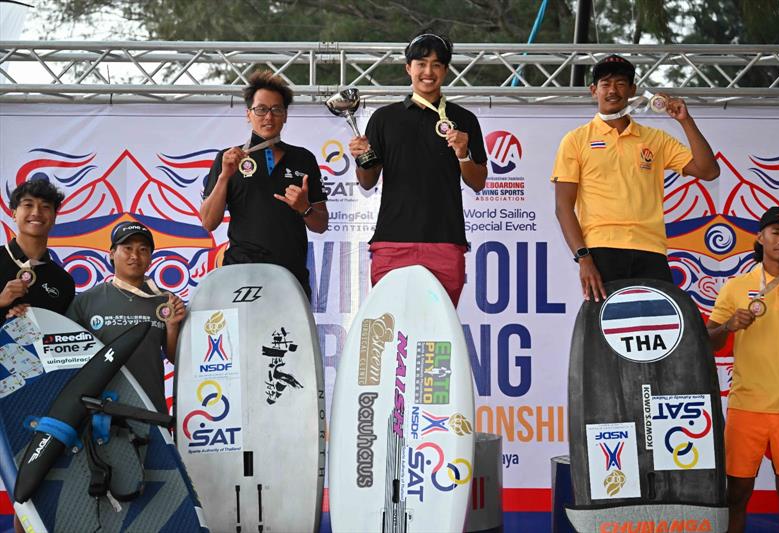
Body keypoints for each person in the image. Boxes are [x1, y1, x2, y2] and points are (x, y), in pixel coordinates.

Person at [551, 54, 720, 302]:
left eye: (620, 83)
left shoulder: (655, 139)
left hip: (651, 250)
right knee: (607, 334)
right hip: (602, 251)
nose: (612, 91)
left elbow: (708, 171)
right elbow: (563, 207)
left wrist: (686, 121)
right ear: (593, 90)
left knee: (657, 332)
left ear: (632, 90)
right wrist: (584, 258)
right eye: (605, 84)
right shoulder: (576, 140)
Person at [348, 32, 488, 306]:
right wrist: (363, 158)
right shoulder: (384, 118)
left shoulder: (464, 119)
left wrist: (462, 155)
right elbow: (367, 182)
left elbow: (478, 181)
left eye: (436, 65)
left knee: (438, 336)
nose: (428, 72)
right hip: (392, 242)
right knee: (389, 330)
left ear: (446, 70)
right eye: (421, 63)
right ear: (408, 68)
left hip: (445, 242)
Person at [706, 205, 779, 533]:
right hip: (747, 406)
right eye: (775, 232)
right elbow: (709, 342)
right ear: (760, 237)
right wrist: (729, 326)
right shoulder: (735, 287)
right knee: (736, 495)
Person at [200, 71, 328, 300]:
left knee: (288, 338)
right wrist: (224, 176)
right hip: (241, 276)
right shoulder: (228, 158)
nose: (268, 117)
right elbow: (208, 222)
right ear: (248, 114)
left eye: (276, 110)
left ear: (286, 115)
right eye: (261, 109)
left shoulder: (303, 159)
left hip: (290, 276)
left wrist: (304, 208)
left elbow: (321, 224)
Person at [66, 221, 185, 414]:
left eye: (143, 250)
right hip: (99, 409)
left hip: (150, 407)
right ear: (112, 254)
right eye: (127, 248)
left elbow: (175, 358)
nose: (135, 256)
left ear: (151, 258)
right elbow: (67, 358)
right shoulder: (85, 301)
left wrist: (172, 326)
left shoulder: (166, 302)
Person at [0, 179, 74, 318]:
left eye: (45, 206)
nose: (36, 212)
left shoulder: (64, 282)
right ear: (14, 214)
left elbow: (64, 334)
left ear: (54, 217)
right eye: (28, 205)